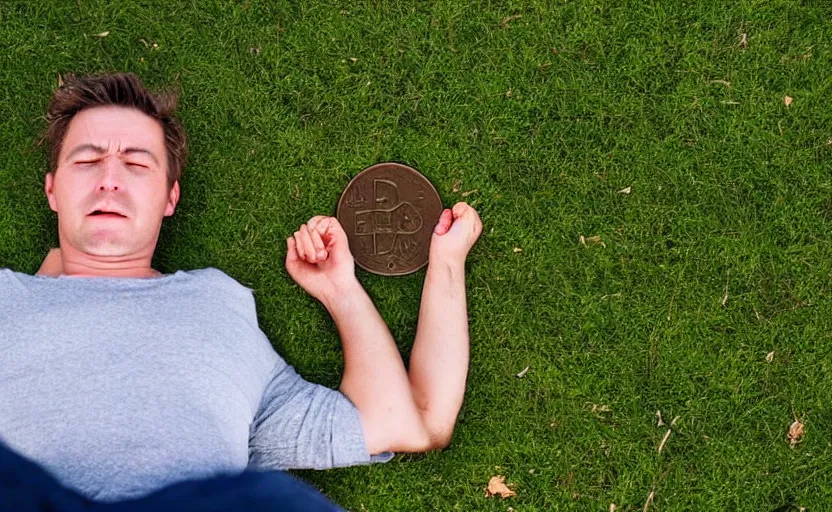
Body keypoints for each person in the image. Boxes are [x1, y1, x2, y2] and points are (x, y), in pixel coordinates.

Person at [0, 73, 482, 506]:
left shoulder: (217, 308)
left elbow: (413, 422)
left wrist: (345, 289)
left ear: (171, 197)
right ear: (51, 190)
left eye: (136, 164)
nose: (109, 180)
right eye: (87, 161)